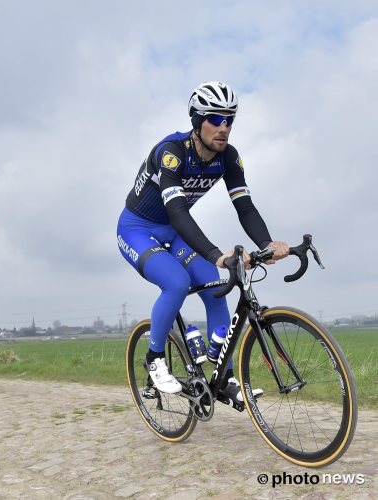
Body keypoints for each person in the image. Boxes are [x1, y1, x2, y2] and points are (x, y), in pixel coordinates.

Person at [118, 82, 289, 402]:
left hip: (174, 232)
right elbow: (178, 212)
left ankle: (221, 375)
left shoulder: (228, 157)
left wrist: (267, 244)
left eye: (230, 120)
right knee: (176, 281)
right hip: (137, 229)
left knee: (213, 282)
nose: (224, 127)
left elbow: (245, 207)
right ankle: (154, 359)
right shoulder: (171, 152)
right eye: (215, 119)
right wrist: (215, 254)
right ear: (197, 121)